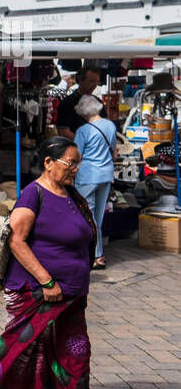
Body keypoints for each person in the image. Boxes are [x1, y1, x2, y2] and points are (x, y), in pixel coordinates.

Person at [0, 136, 121, 389]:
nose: (75, 169)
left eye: (78, 163)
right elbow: (16, 240)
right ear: (48, 163)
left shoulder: (69, 194)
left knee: (77, 350)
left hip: (71, 293)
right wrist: (47, 281)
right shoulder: (32, 195)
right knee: (21, 346)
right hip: (37, 291)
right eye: (70, 163)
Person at [73, 94, 116, 270]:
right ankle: (98, 255)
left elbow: (76, 156)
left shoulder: (83, 131)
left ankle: (91, 255)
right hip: (106, 174)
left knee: (85, 216)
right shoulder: (111, 125)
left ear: (84, 113)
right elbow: (113, 150)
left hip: (88, 176)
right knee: (97, 217)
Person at [56, 66, 102, 139]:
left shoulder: (98, 102)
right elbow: (63, 132)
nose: (95, 85)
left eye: (97, 82)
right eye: (91, 81)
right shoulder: (67, 103)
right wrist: (85, 143)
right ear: (80, 80)